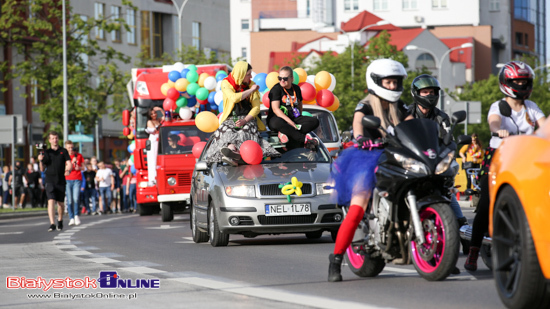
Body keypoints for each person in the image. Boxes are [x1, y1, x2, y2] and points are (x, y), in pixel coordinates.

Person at [328, 59, 409, 282]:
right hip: (367, 157)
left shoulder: (400, 107)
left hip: (395, 158)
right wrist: (361, 138)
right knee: (357, 208)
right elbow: (358, 124)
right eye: (388, 82)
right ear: (377, 82)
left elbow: (412, 124)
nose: (393, 86)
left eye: (395, 82)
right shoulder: (365, 105)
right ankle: (335, 260)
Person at [464, 61, 546, 271]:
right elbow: (493, 121)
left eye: (524, 81)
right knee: (487, 201)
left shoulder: (532, 107)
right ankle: (473, 249)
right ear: (507, 83)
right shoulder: (499, 106)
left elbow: (543, 125)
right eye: (517, 81)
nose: (521, 84)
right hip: (498, 157)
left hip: (524, 157)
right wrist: (498, 130)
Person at [408, 75, 469, 226]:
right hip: (412, 160)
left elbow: (449, 140)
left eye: (432, 92)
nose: (429, 95)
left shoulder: (442, 117)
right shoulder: (407, 113)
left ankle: (461, 224)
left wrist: (449, 149)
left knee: (446, 191)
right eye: (425, 92)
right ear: (416, 93)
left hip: (434, 161)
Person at [203, 61, 280, 166]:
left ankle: (233, 154)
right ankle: (231, 151)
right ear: (241, 74)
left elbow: (256, 108)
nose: (251, 76)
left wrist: (245, 120)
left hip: (248, 118)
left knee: (244, 132)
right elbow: (234, 98)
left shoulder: (252, 85)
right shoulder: (226, 83)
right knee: (225, 130)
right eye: (248, 74)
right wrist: (251, 90)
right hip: (231, 118)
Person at [267, 66, 320, 149]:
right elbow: (275, 109)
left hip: (293, 117)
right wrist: (290, 123)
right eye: (279, 78)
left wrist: (299, 116)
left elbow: (300, 103)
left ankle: (286, 132)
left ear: (291, 78)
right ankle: (305, 139)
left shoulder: (296, 88)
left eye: (285, 78)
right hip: (278, 118)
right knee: (277, 122)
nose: (282, 81)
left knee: (315, 121)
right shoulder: (276, 89)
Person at [38, 131, 72, 232]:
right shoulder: (46, 152)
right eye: (52, 138)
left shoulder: (63, 151)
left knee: (60, 204)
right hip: (49, 179)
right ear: (49, 140)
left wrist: (68, 170)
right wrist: (40, 160)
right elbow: (42, 169)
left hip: (60, 179)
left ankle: (60, 220)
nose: (55, 140)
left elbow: (69, 163)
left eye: (56, 138)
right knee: (51, 201)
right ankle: (52, 223)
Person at [65, 140, 84, 225]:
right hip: (67, 179)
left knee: (76, 198)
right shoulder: (64, 157)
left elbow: (83, 167)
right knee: (69, 200)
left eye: (72, 147)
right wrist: (71, 164)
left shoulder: (79, 156)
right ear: (66, 148)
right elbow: (64, 168)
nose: (70, 149)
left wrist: (79, 167)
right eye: (68, 148)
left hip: (77, 178)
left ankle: (76, 215)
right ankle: (71, 217)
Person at [145, 106, 164, 186]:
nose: (154, 115)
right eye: (152, 114)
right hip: (153, 141)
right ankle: (153, 178)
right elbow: (156, 130)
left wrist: (160, 109)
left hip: (159, 140)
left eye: (155, 113)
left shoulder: (158, 120)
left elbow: (165, 117)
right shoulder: (150, 122)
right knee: (153, 158)